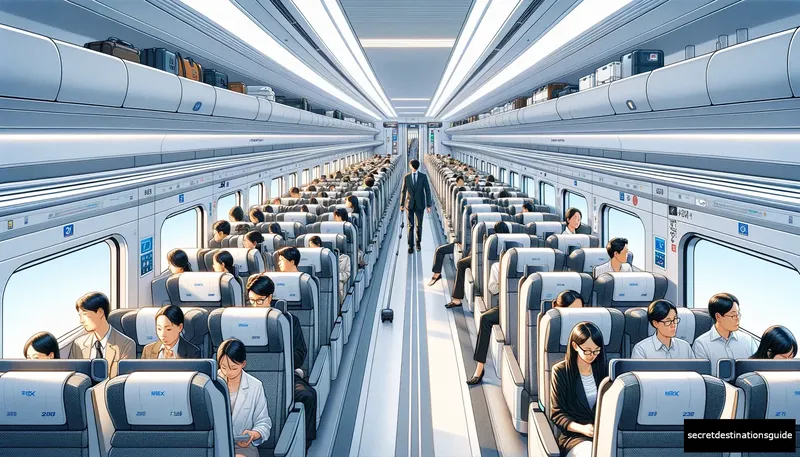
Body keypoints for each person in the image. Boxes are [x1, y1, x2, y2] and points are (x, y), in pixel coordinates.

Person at [247, 275, 316, 450]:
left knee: (308, 396)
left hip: (283, 373)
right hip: (244, 375)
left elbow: (300, 354)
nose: (255, 306)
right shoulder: (241, 321)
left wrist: (281, 361)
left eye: (259, 301)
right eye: (251, 301)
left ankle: (303, 445)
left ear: (270, 297)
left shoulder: (288, 320)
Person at [550, 322, 606, 457]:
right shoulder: (561, 372)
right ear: (575, 346)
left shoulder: (604, 369)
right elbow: (557, 414)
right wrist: (583, 429)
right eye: (587, 350)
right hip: (575, 436)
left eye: (596, 350)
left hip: (605, 432)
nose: (592, 355)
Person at [466, 223, 511, 384]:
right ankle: (479, 367)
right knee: (486, 319)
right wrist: (502, 283)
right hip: (507, 307)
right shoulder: (497, 266)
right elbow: (492, 288)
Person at [217, 338, 272, 457]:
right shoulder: (211, 383)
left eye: (233, 368)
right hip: (215, 444)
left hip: (242, 446)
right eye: (223, 367)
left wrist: (254, 434)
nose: (228, 373)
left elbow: (263, 422)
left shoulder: (255, 386)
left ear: (243, 364)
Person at [69, 292, 135, 378]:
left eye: (85, 315)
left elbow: (123, 381)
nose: (81, 321)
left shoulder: (126, 344)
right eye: (80, 316)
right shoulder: (78, 344)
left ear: (100, 312)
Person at [692, 293, 758, 375]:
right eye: (733, 315)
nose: (737, 319)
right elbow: (703, 378)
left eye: (738, 314)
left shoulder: (748, 340)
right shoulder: (701, 344)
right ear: (718, 316)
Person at [400, 159, 432, 254]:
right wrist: (402, 204)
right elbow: (403, 191)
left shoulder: (423, 177)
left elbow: (427, 190)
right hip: (409, 205)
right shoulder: (407, 177)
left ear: (411, 166)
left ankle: (418, 243)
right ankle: (411, 245)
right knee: (410, 225)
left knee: (419, 226)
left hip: (420, 204)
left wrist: (428, 204)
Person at [309, 235, 350, 304]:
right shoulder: (308, 259)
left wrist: (334, 276)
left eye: (312, 246)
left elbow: (346, 275)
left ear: (319, 245)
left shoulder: (342, 258)